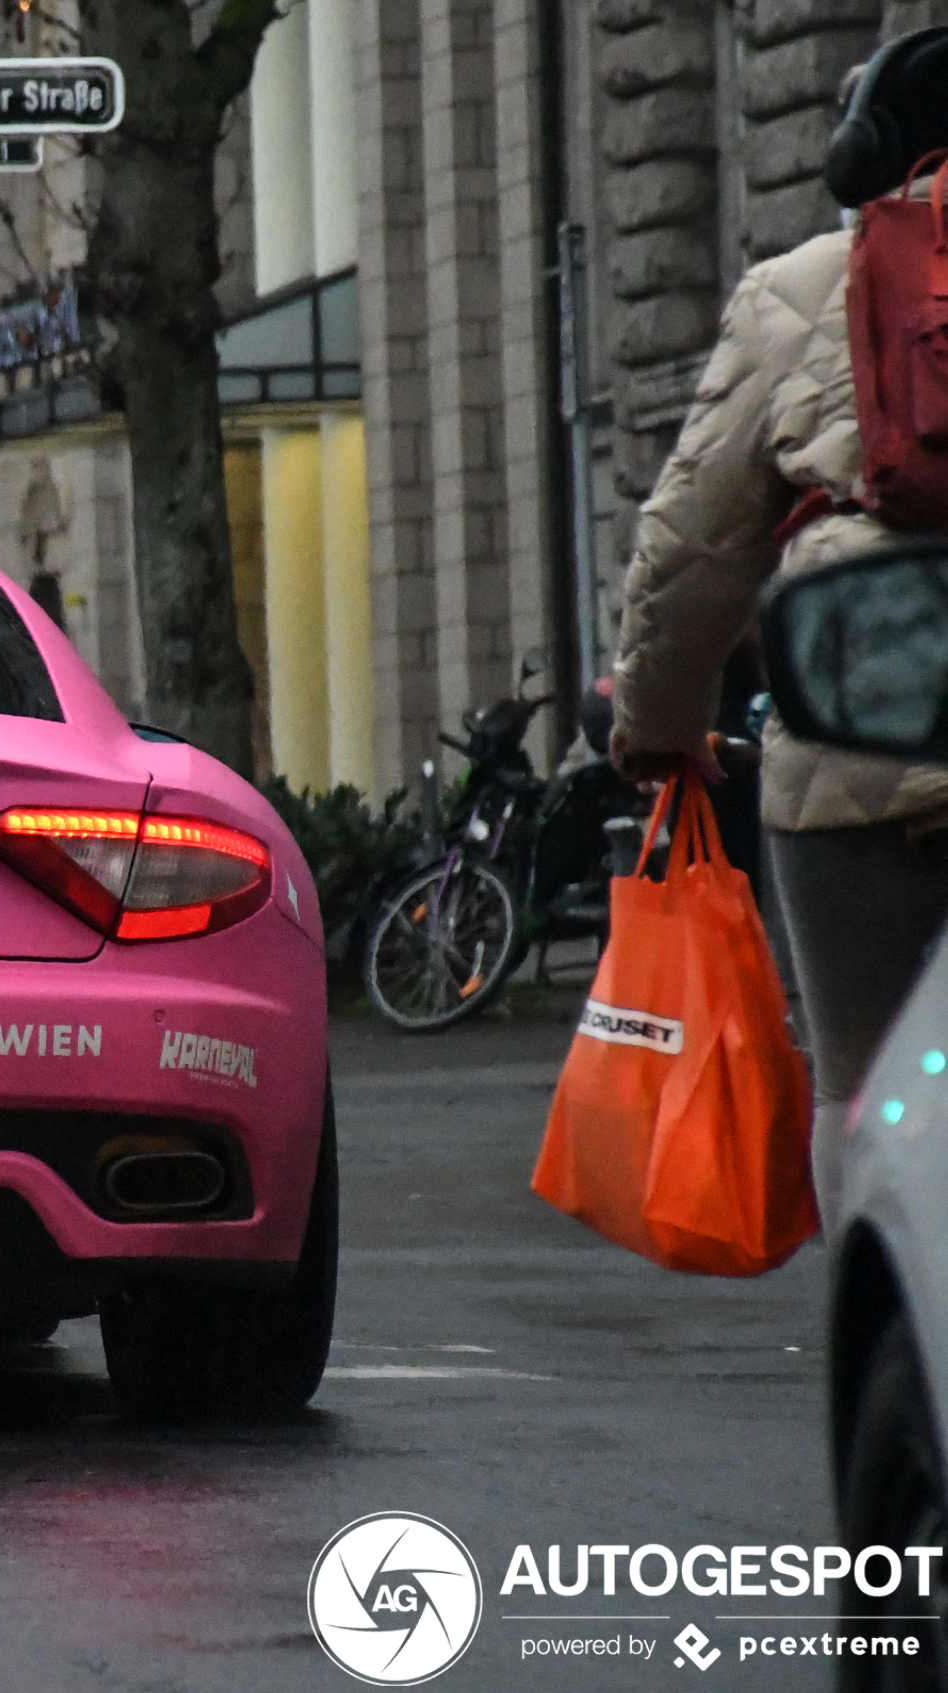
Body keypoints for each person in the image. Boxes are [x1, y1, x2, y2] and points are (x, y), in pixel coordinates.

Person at [609, 27, 948, 1216]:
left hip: (852, 736)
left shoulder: (796, 289)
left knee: (859, 1086)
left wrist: (658, 729)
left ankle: (892, 1356)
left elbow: (690, 548)